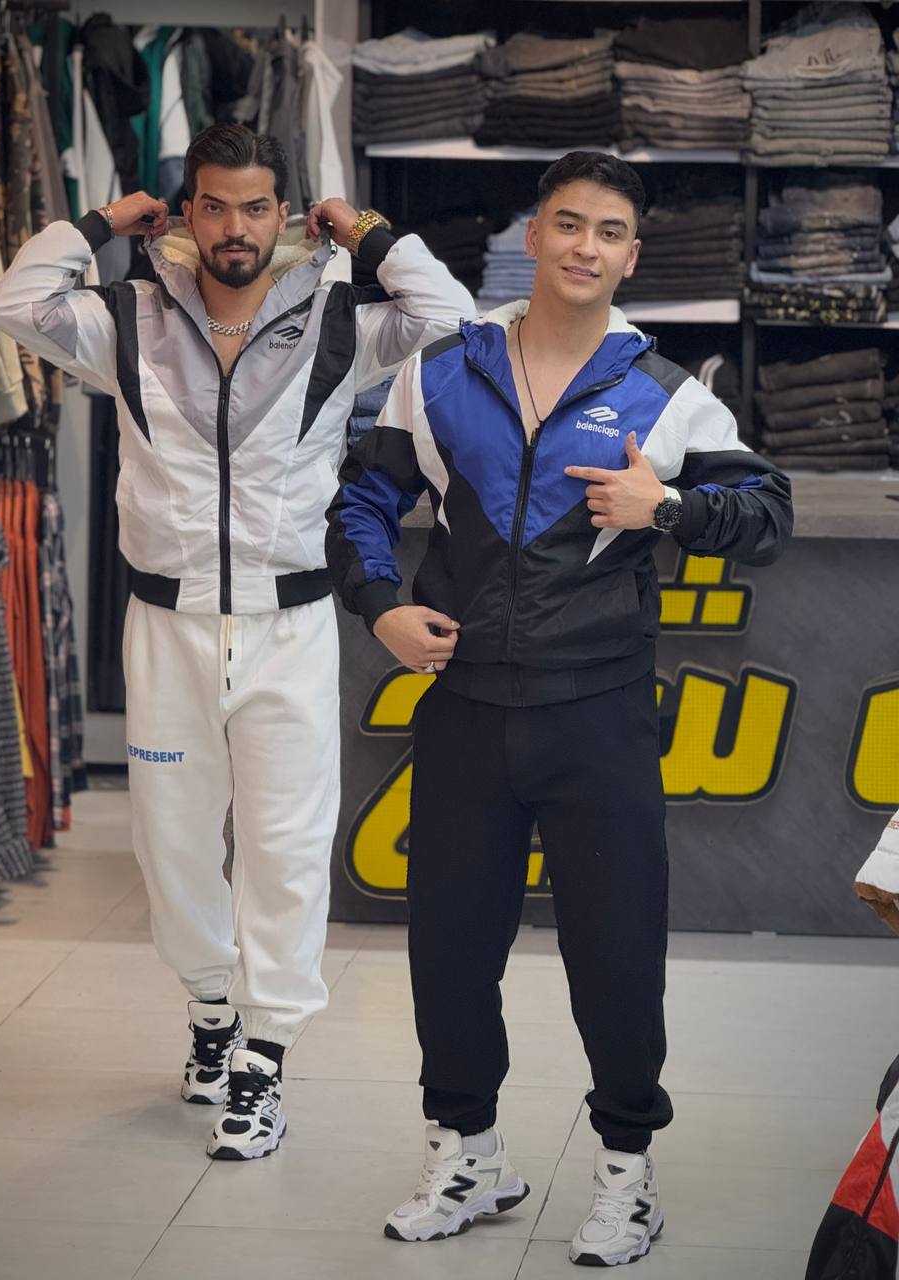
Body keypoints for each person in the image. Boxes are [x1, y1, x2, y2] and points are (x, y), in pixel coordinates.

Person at [325, 150, 793, 1265]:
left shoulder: (666, 392)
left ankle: (628, 1175)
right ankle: (468, 1156)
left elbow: (768, 513)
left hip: (599, 715)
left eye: (610, 231)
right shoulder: (443, 372)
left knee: (616, 954)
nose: (587, 246)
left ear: (632, 256)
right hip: (466, 711)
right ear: (532, 235)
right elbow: (361, 500)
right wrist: (382, 607)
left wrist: (665, 505)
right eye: (570, 223)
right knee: (449, 952)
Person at [0, 124, 474, 1162]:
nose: (236, 228)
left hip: (290, 624)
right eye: (214, 205)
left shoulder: (339, 320)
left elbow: (450, 315)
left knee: (286, 846)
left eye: (256, 207)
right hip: (166, 625)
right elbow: (13, 304)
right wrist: (102, 221)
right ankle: (210, 1008)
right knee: (169, 846)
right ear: (189, 212)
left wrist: (368, 231)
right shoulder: (128, 317)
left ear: (285, 214)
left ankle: (266, 1052)